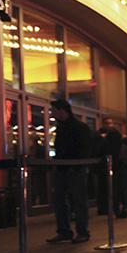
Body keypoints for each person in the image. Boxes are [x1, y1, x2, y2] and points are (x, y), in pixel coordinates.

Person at [46, 99, 93, 244]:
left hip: (75, 169)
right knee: (60, 199)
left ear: (61, 110)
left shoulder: (78, 127)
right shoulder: (63, 127)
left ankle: (81, 231)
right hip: (63, 168)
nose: (52, 114)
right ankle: (65, 231)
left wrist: (76, 163)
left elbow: (85, 148)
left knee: (78, 200)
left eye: (53, 110)